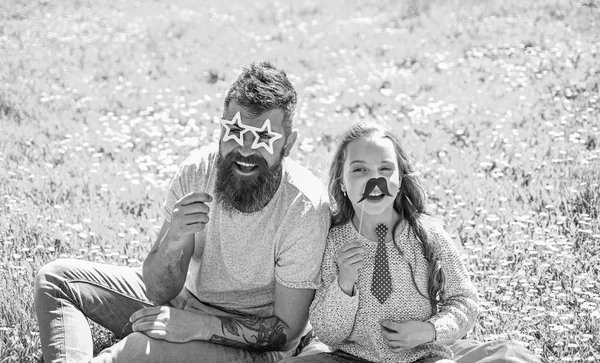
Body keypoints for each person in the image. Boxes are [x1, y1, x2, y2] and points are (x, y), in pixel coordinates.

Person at [34, 61, 331, 363]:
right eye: (235, 131)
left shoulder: (304, 206)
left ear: (288, 144)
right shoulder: (197, 172)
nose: (244, 149)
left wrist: (198, 326)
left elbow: (286, 332)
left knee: (135, 351)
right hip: (186, 302)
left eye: (264, 137)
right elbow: (157, 290)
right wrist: (173, 241)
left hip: (255, 345)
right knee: (57, 280)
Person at [281, 123, 543, 363]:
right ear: (343, 183)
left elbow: (464, 301)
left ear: (400, 178)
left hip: (421, 357)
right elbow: (329, 334)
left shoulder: (428, 235)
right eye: (360, 169)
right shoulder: (334, 241)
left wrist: (429, 330)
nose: (375, 180)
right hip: (350, 357)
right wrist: (344, 284)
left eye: (385, 169)